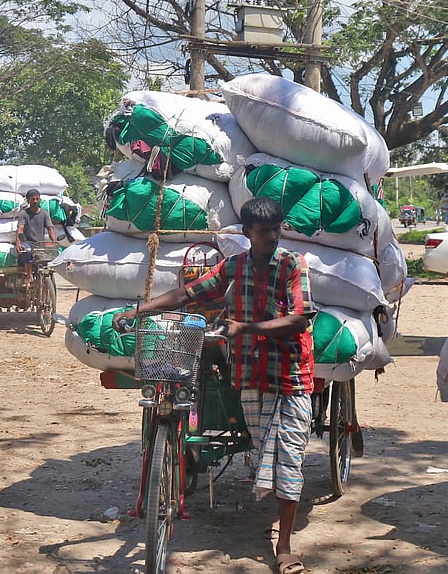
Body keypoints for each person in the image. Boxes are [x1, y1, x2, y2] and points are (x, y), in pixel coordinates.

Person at [114, 197, 315, 574]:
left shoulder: (291, 265)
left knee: (288, 457)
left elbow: (300, 319)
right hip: (250, 375)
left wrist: (246, 328)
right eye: (262, 232)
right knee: (263, 449)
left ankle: (284, 545)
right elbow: (187, 294)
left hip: (288, 374)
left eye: (275, 230)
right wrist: (138, 310)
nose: (271, 237)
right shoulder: (234, 266)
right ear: (246, 234)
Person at [16, 188, 57, 283]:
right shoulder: (24, 214)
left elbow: (50, 229)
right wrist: (18, 243)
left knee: (50, 255)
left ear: (40, 200)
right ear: (28, 200)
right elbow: (20, 229)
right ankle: (29, 275)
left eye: (37, 199)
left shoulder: (44, 213)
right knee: (27, 252)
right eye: (33, 199)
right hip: (28, 243)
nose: (35, 201)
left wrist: (54, 242)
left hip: (40, 244)